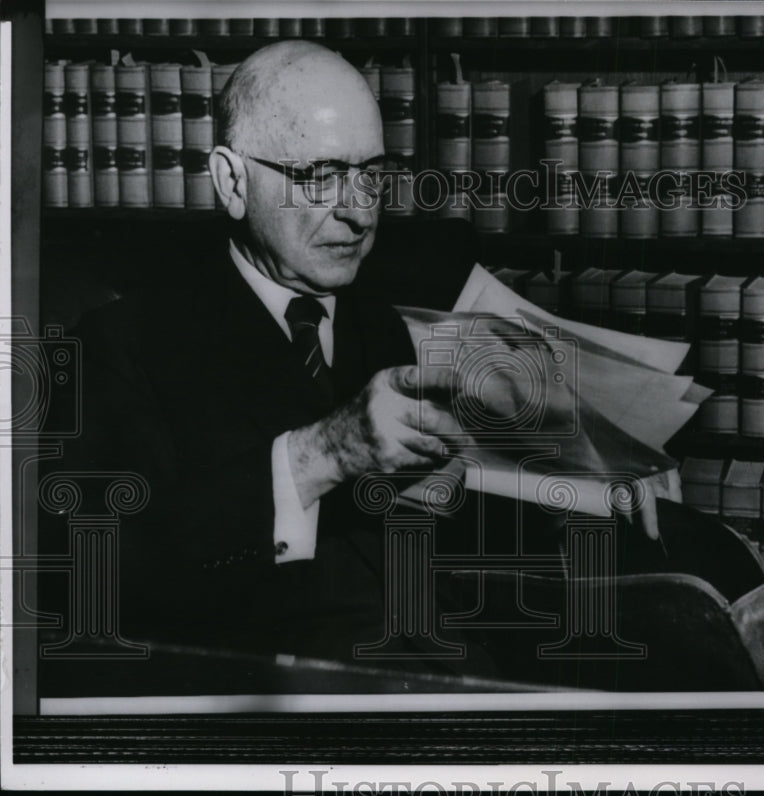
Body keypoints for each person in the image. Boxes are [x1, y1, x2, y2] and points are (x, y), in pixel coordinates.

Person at [45, 41, 478, 673]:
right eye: (319, 176)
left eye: (373, 176)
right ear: (231, 181)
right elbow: (94, 578)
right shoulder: (122, 345)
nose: (358, 213)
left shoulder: (378, 324)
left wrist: (577, 494)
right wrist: (322, 455)